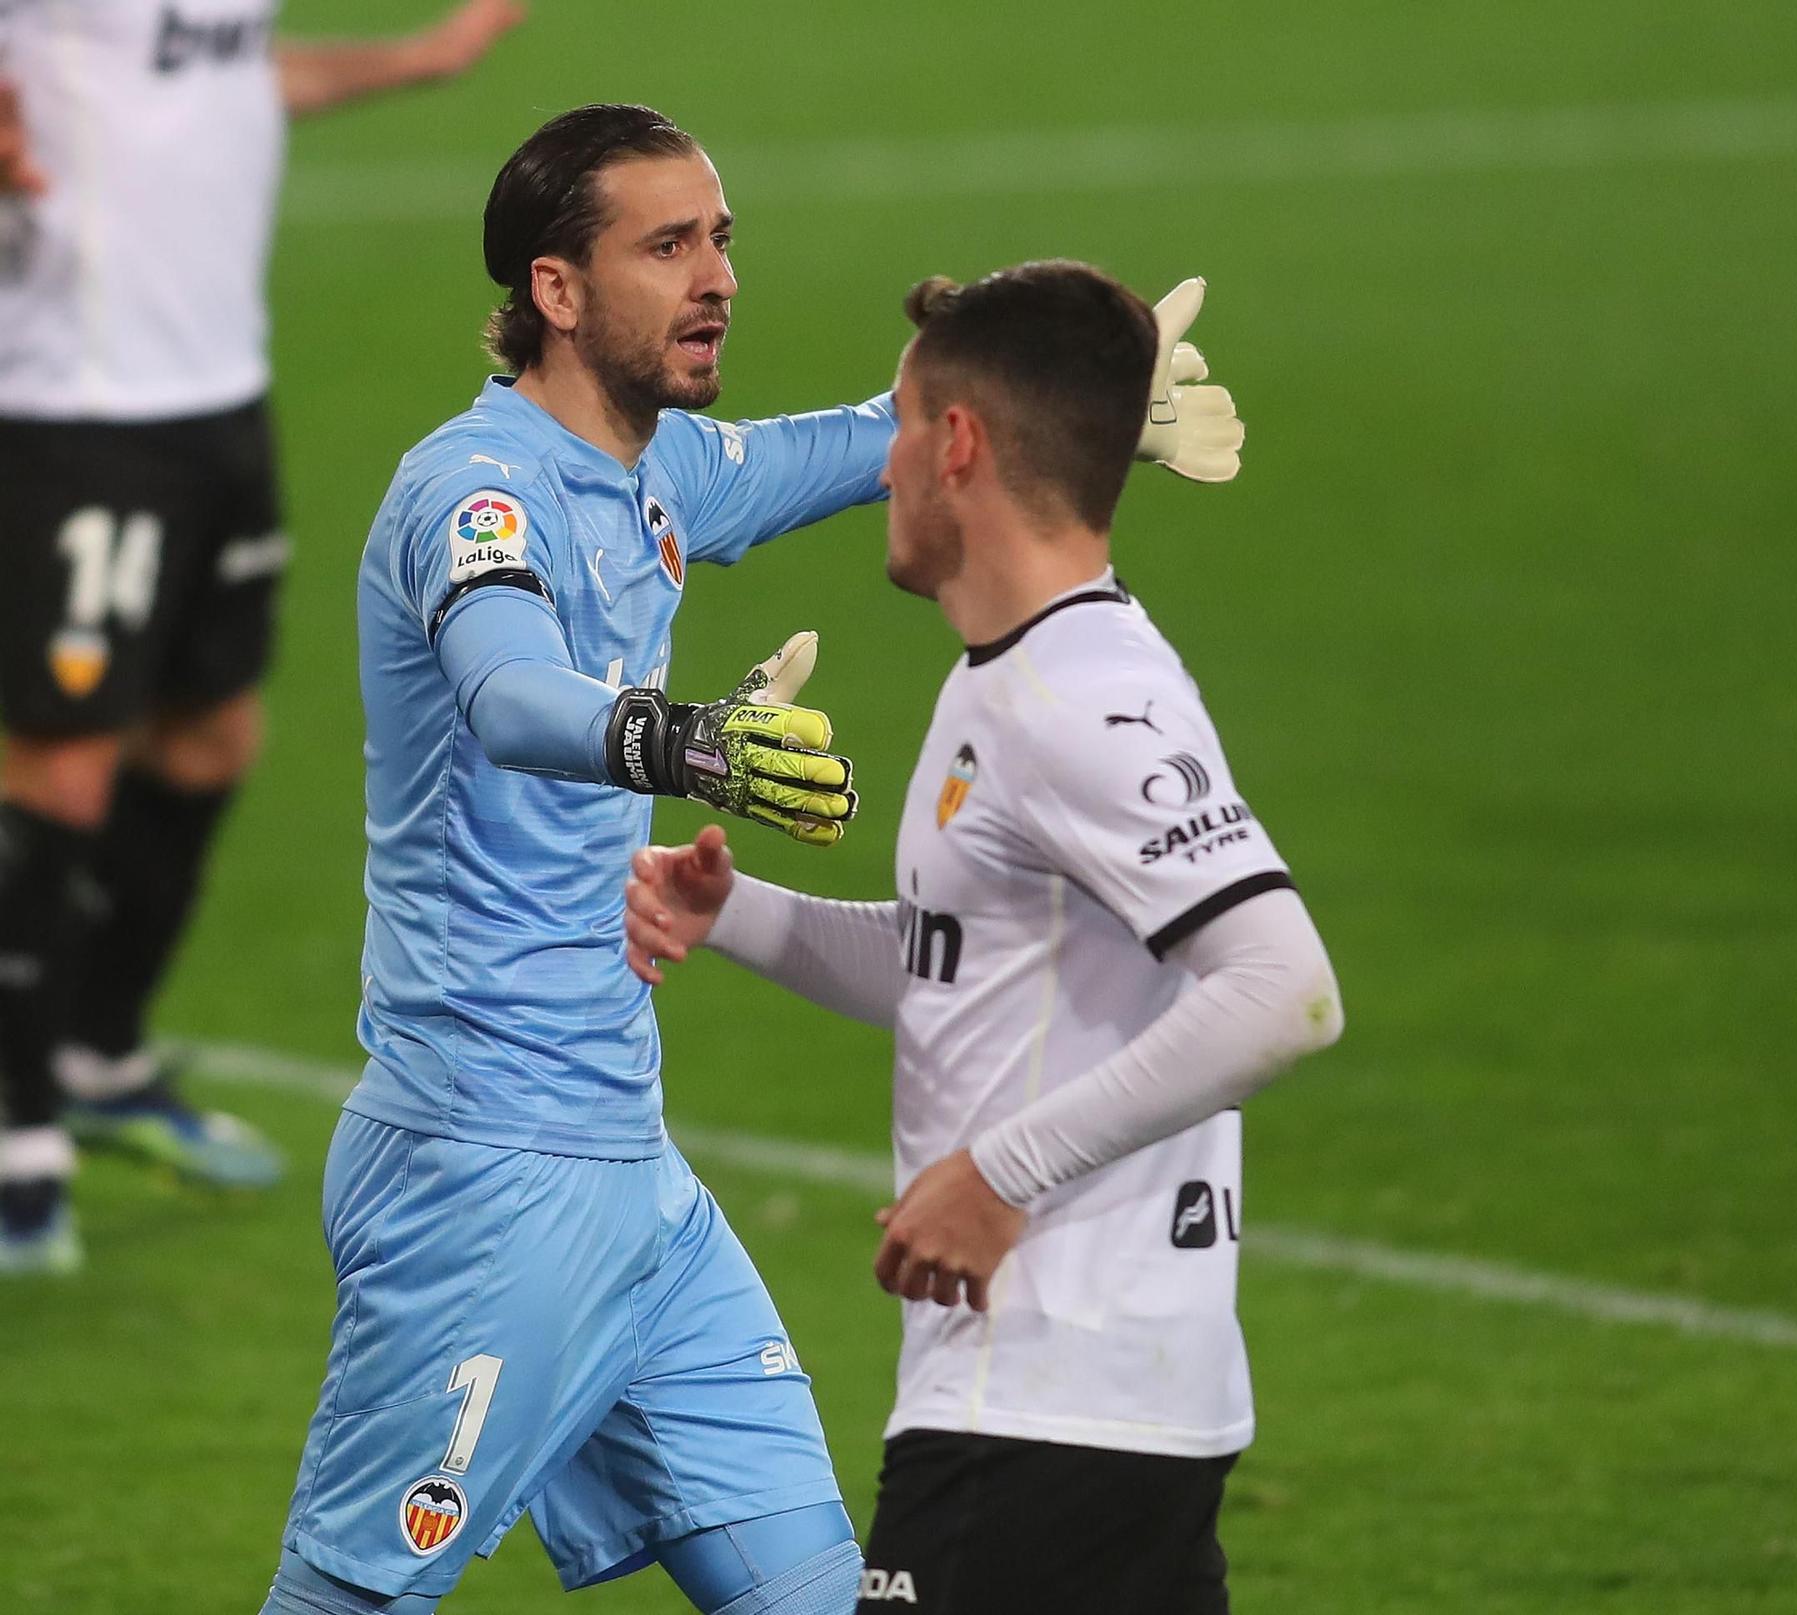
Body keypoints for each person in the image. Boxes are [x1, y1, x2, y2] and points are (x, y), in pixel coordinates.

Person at [257, 104, 1238, 1615]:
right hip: (483, 1175)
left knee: (821, 1593)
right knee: (350, 1597)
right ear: (558, 290)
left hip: (635, 1186)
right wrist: (679, 742)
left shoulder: (662, 479)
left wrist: (1079, 395)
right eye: (668, 245)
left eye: (722, 237)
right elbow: (513, 692)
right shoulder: (475, 492)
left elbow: (865, 440)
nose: (716, 275)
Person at [622, 260, 1342, 1615]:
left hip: (1043, 1405)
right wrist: (739, 916)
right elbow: (971, 969)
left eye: (899, 426)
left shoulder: (1079, 698)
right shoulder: (1013, 676)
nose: (882, 467)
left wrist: (1001, 1172)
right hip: (1097, 1398)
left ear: (956, 445)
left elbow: (1284, 986)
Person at [0, 0, 527, 1275]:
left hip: (217, 397)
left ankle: (97, 1051)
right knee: (61, 757)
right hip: (77, 400)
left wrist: (410, 58)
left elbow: (213, 80)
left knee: (210, 734)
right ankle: (17, 1132)